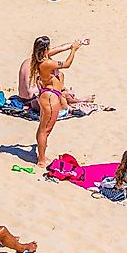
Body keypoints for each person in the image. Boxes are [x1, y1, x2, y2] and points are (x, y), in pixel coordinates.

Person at [31, 35, 86, 167]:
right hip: (50, 98)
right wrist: (73, 51)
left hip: (47, 96)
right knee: (45, 130)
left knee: (42, 129)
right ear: (44, 49)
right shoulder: (47, 63)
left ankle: (41, 156)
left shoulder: (41, 58)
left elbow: (59, 48)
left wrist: (75, 43)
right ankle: (42, 160)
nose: (50, 49)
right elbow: (66, 65)